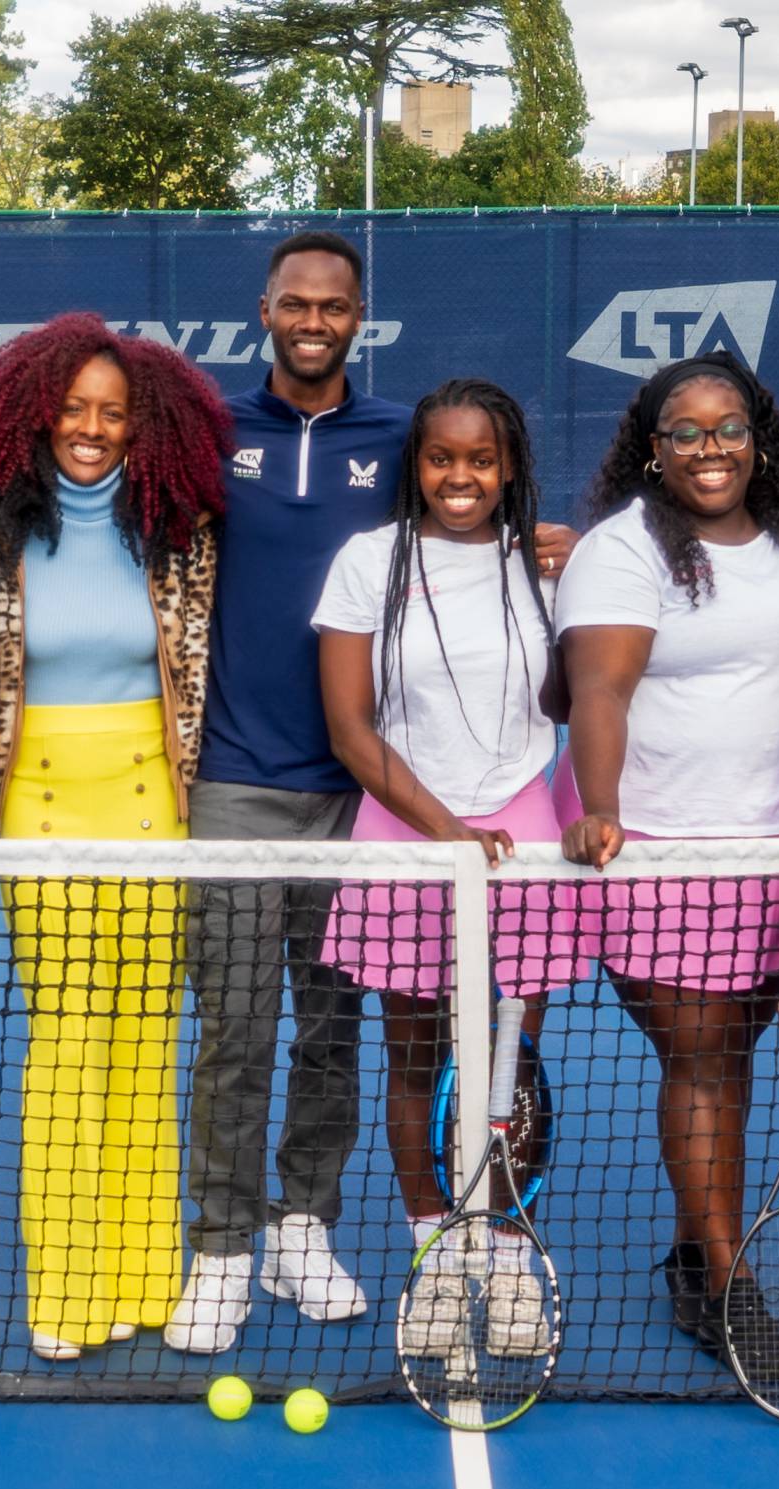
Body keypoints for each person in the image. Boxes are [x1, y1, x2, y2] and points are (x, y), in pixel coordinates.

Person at [172, 230, 576, 1355]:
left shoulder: (400, 432)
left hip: (368, 815)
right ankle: (221, 1247)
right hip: (247, 780)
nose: (313, 318)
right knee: (236, 1029)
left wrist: (557, 549)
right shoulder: (210, 434)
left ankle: (308, 1222)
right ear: (264, 309)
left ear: (360, 316)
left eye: (333, 303)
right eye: (294, 301)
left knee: (336, 1037)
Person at [0, 313, 228, 1360]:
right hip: (39, 801)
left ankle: (146, 1278)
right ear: (34, 411)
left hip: (153, 796)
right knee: (68, 1040)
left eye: (113, 413)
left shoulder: (180, 525)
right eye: (73, 408)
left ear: (141, 425)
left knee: (147, 1040)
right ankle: (66, 1291)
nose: (91, 428)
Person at [557, 349, 779, 1380]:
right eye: (685, 431)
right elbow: (600, 692)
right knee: (702, 1057)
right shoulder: (623, 552)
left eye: (728, 428)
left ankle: (694, 1254)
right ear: (651, 449)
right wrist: (604, 810)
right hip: (665, 852)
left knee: (731, 1057)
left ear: (758, 439)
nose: (709, 447)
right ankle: (728, 1284)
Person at [314, 378, 588, 1350]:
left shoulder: (546, 566)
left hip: (521, 832)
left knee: (506, 1061)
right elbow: (350, 728)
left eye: (480, 459)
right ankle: (436, 1254)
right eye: (441, 458)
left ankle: (506, 1252)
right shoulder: (367, 563)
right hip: (403, 834)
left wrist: (573, 580)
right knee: (416, 1057)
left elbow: (572, 705)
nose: (459, 477)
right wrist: (442, 831)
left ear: (507, 465)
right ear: (415, 464)